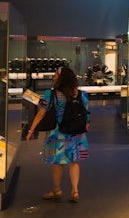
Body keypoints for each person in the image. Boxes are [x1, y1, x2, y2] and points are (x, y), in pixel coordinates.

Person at [27, 66, 90, 203]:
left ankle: (56, 190)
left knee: (57, 163)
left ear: (61, 78)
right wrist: (86, 125)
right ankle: (75, 191)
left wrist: (31, 130)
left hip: (58, 134)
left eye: (56, 73)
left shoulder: (51, 94)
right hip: (75, 133)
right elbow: (86, 113)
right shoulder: (81, 94)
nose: (53, 75)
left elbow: (41, 113)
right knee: (73, 162)